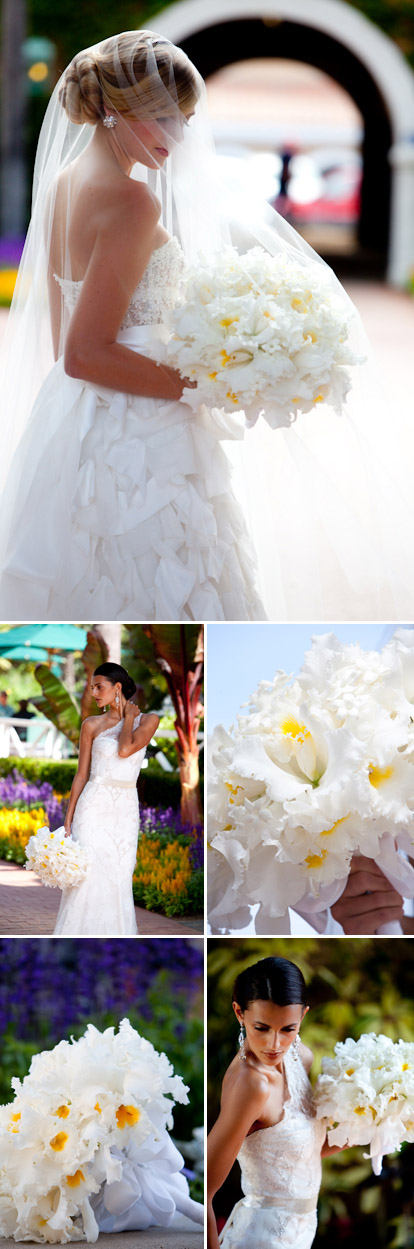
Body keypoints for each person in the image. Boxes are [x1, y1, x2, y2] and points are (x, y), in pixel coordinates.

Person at [1, 30, 414, 621]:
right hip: (143, 430)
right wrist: (207, 381)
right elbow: (84, 352)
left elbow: (64, 341)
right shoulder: (131, 201)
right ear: (116, 112)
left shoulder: (65, 185)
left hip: (77, 420)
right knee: (164, 572)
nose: (180, 136)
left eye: (186, 119)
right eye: (165, 117)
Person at [207, 955, 344, 1249]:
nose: (275, 1044)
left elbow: (293, 1156)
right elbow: (206, 1187)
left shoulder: (300, 1056)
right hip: (260, 1239)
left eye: (287, 1029)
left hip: (302, 1234)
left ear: (303, 1017)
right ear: (239, 1013)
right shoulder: (251, 1085)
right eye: (262, 1028)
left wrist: (365, 1127)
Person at [54, 662, 159, 936]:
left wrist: (127, 720)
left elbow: (126, 749)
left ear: (118, 688)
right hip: (92, 807)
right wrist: (68, 819)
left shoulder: (149, 720)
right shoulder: (91, 724)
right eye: (91, 688)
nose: (94, 693)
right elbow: (81, 775)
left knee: (119, 878)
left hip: (124, 811)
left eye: (99, 687)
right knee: (87, 877)